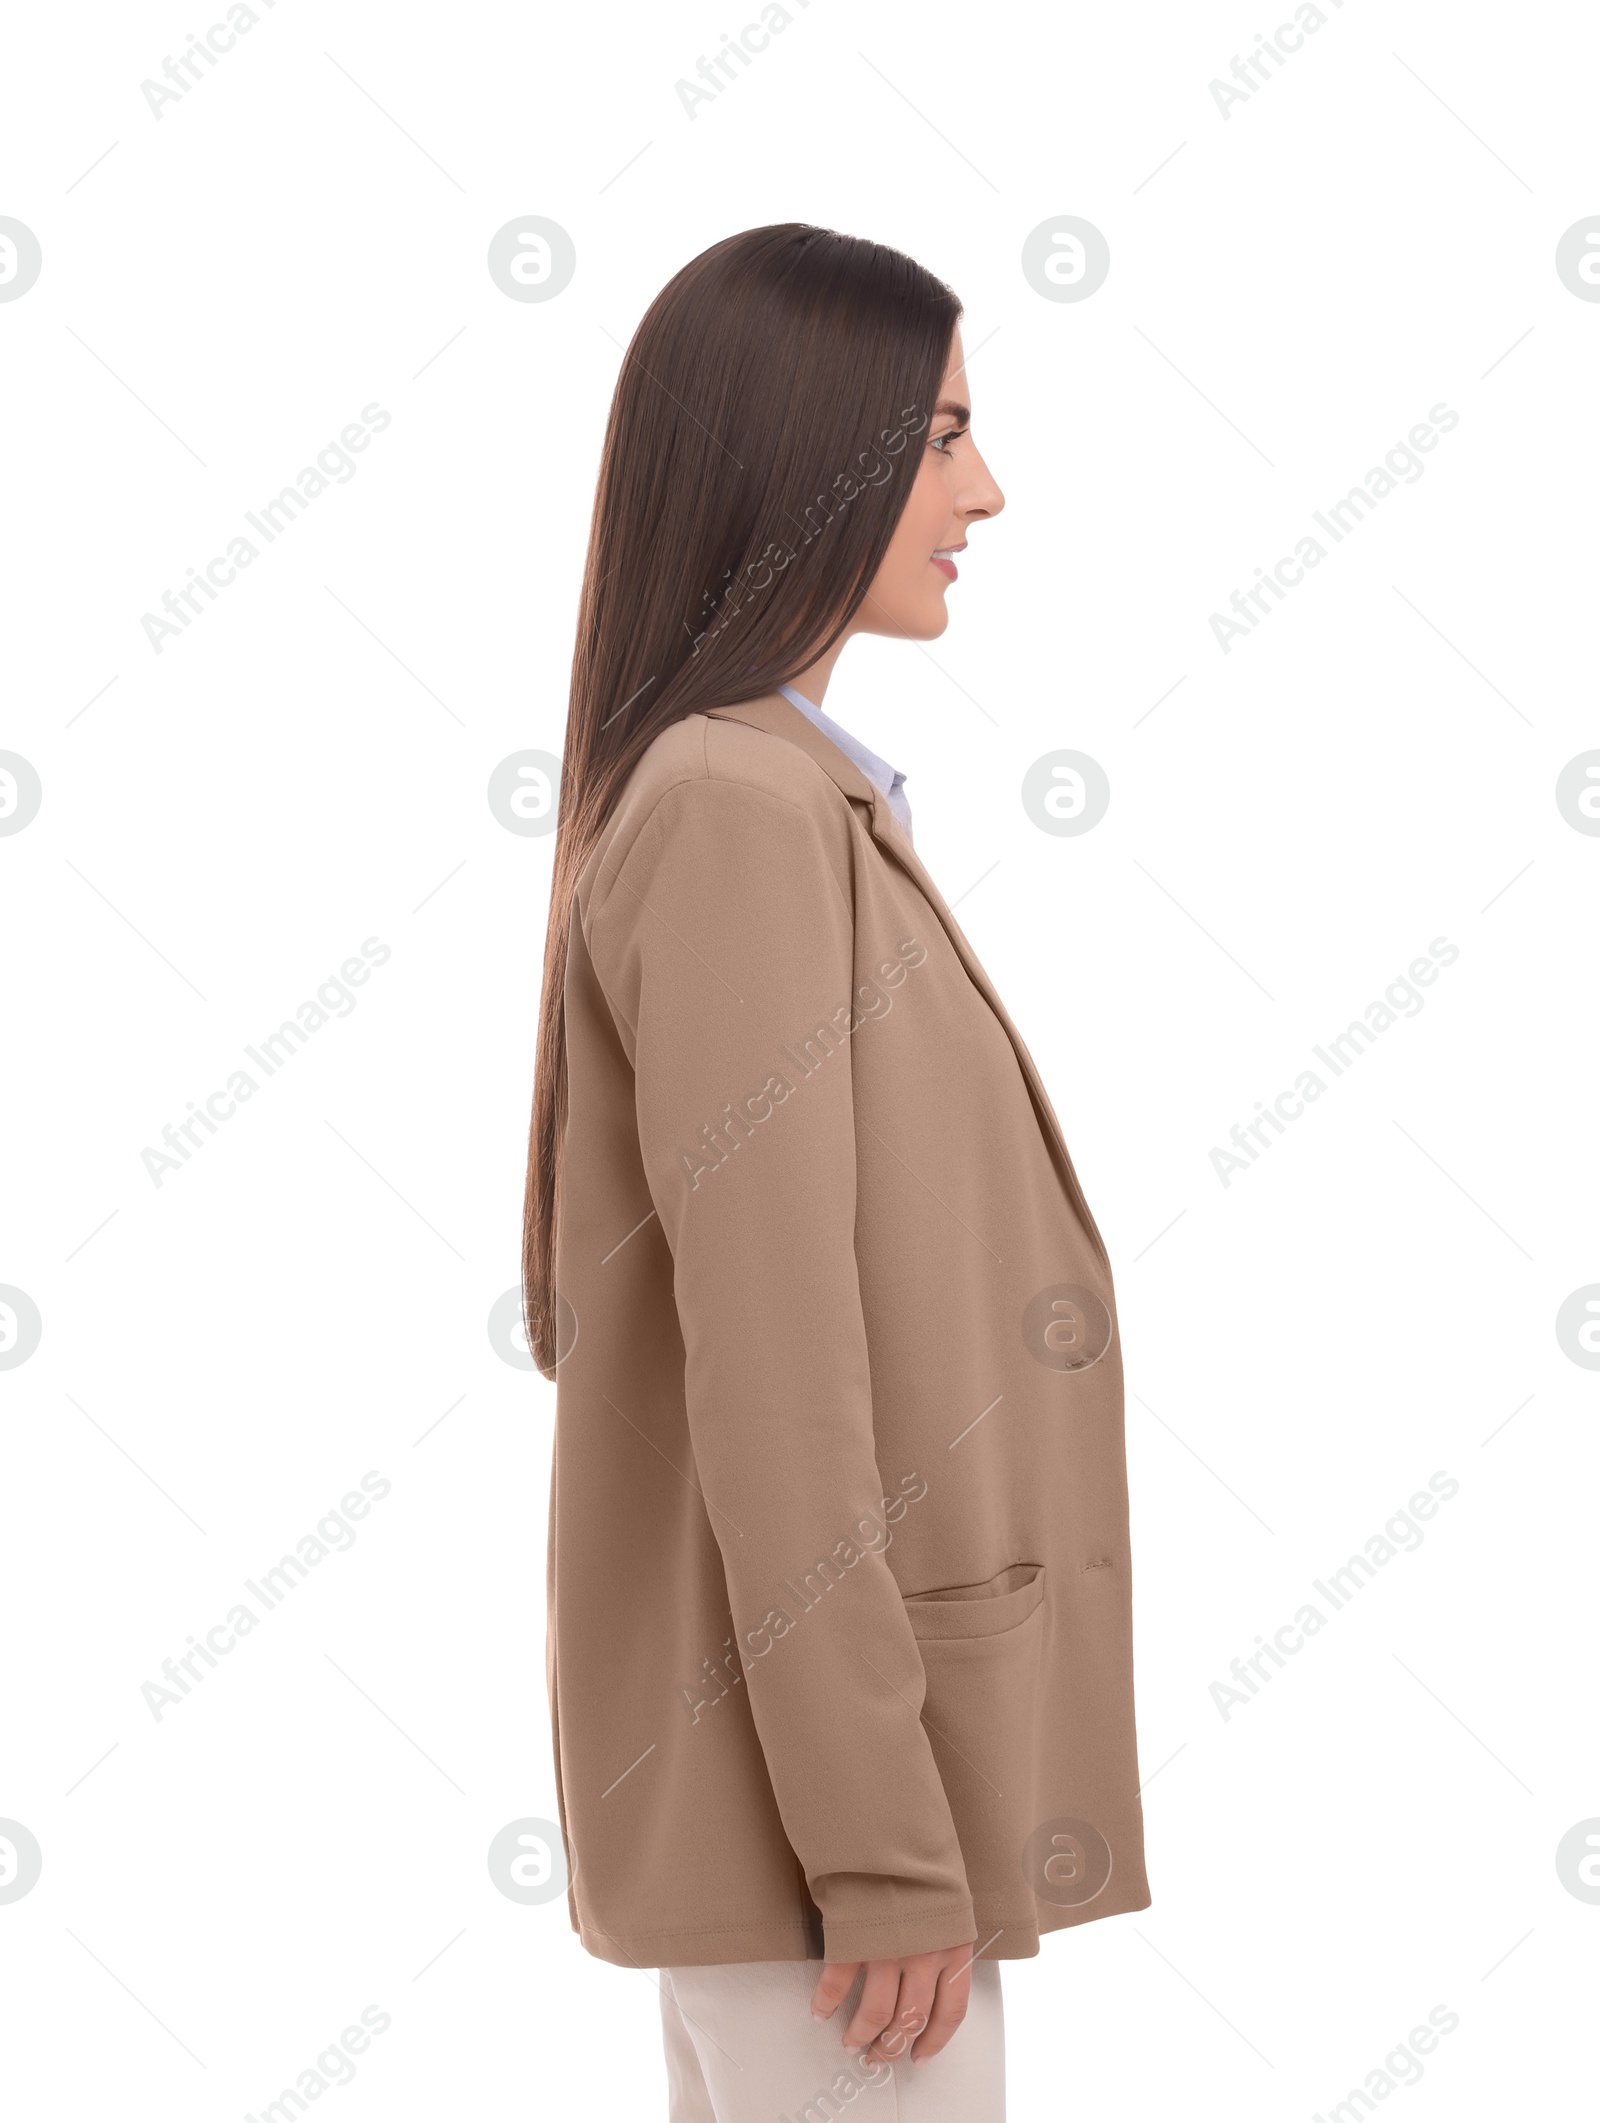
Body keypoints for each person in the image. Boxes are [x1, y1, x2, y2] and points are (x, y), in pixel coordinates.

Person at [523, 223, 1150, 2123]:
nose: (988, 491)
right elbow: (777, 1376)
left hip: (811, 1835)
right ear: (818, 454)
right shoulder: (733, 808)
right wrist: (883, 1848)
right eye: (942, 434)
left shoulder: (768, 788)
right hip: (829, 1854)